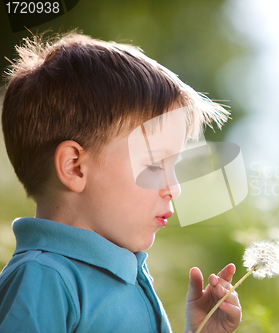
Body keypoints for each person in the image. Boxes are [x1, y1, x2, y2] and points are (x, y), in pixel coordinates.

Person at [0, 31, 241, 333]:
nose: (175, 188)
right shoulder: (44, 278)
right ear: (74, 167)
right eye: (154, 165)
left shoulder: (125, 274)